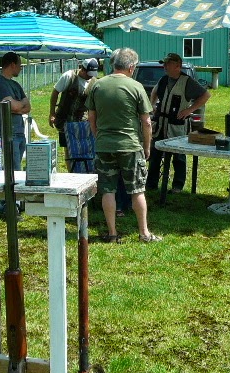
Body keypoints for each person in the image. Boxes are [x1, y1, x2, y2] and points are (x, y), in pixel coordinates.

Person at [87, 47, 161, 243]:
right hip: (130, 145)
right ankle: (144, 233)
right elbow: (146, 122)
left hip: (104, 145)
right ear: (131, 67)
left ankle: (112, 233)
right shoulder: (136, 87)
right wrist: (146, 147)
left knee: (108, 190)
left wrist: (98, 137)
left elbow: (91, 117)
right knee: (137, 190)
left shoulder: (97, 85)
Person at [146, 52, 211, 193]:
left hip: (177, 124)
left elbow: (206, 95)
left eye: (168, 63)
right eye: (164, 63)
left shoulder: (187, 81)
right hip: (161, 123)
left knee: (179, 156)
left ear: (177, 66)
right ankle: (151, 184)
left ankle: (178, 185)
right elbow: (154, 92)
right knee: (155, 154)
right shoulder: (163, 79)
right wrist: (152, 106)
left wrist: (190, 110)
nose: (165, 66)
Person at [0, 51, 31, 214]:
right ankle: (9, 205)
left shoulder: (15, 85)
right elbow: (13, 106)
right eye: (19, 64)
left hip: (19, 132)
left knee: (17, 168)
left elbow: (27, 106)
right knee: (12, 169)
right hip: (8, 133)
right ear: (12, 64)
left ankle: (15, 201)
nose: (20, 68)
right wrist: (18, 106)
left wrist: (17, 106)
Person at [48, 57, 99, 171]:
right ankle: (71, 171)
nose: (91, 76)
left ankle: (86, 171)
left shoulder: (95, 82)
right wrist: (52, 113)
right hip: (65, 119)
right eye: (89, 73)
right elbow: (55, 92)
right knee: (68, 148)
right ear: (83, 69)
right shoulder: (69, 76)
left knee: (86, 147)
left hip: (83, 121)